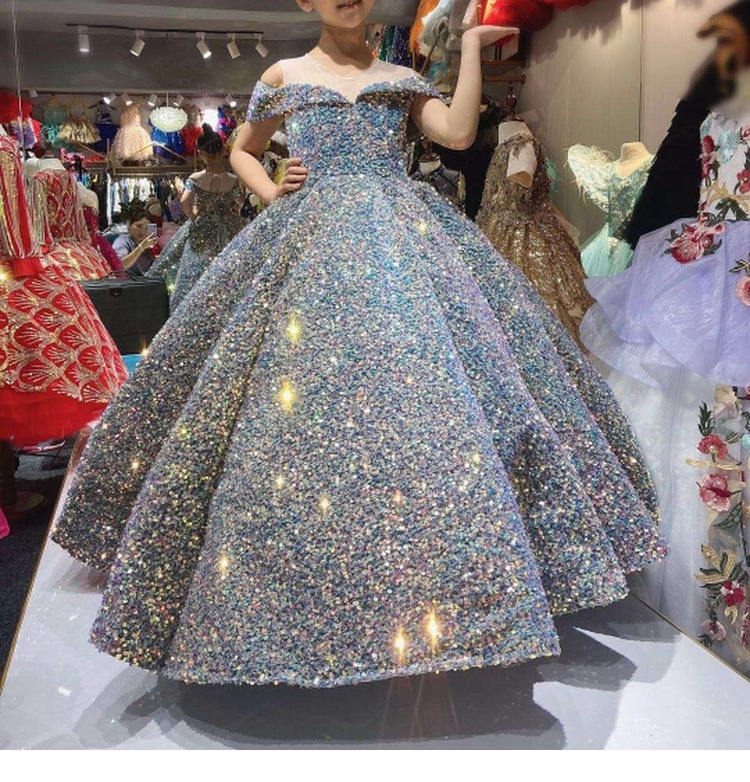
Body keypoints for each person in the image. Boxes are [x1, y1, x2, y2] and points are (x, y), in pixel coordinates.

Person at [51, 0, 666, 688]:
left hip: (400, 242)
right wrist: (270, 191)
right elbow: (244, 149)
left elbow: (459, 133)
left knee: (423, 381)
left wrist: (467, 47)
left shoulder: (399, 78)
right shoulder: (285, 74)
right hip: (309, 239)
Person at [148, 124, 245, 309]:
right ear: (223, 151)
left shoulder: (195, 178)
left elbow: (185, 202)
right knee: (230, 271)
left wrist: (195, 217)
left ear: (201, 154)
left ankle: (191, 310)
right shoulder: (234, 180)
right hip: (230, 227)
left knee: (193, 275)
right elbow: (239, 201)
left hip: (203, 228)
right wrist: (229, 214)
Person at [111, 209, 159, 276]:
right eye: (138, 226)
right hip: (130, 280)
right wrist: (141, 247)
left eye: (146, 228)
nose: (142, 231)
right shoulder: (122, 241)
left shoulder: (149, 243)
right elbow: (119, 266)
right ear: (129, 225)